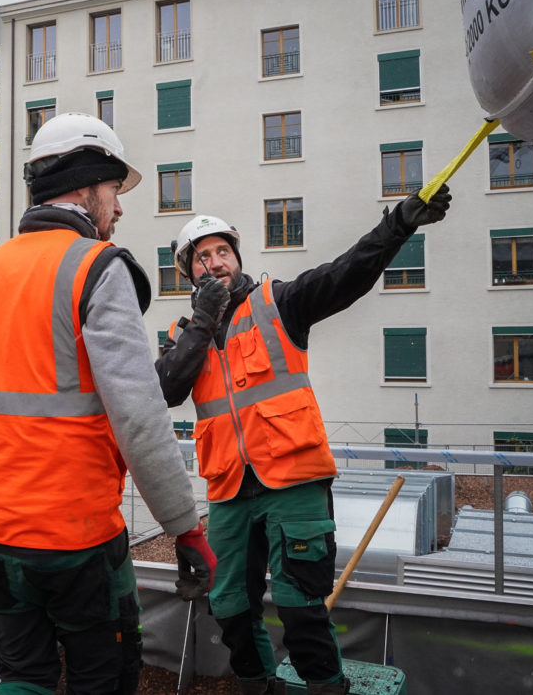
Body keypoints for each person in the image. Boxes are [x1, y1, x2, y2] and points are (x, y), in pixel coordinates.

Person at [0, 111, 215, 694]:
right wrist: (185, 529)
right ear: (86, 187)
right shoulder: (96, 267)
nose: (119, 207)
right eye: (115, 190)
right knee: (103, 678)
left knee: (24, 677)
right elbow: (139, 417)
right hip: (76, 539)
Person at [156, 186, 453, 695]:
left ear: (237, 256)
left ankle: (325, 689)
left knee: (300, 605)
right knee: (228, 605)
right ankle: (258, 687)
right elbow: (166, 389)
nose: (215, 263)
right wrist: (203, 321)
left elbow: (347, 272)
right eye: (202, 258)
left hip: (293, 478)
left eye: (222, 251)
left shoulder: (279, 302)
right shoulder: (187, 333)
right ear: (189, 273)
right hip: (229, 489)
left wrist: (400, 223)